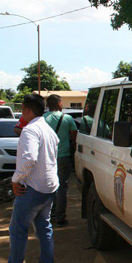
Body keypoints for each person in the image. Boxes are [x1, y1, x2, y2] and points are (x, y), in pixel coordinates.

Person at [0, 94, 59, 263]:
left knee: (18, 231)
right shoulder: (47, 129)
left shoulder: (30, 131)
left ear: (27, 110)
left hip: (33, 189)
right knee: (44, 229)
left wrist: (15, 179)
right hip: (49, 188)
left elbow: (28, 159)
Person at [44, 94, 78, 227]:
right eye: (62, 102)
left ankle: (48, 215)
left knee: (48, 186)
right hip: (63, 157)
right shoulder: (67, 118)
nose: (63, 104)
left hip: (47, 157)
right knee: (62, 188)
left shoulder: (42, 119)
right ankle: (60, 217)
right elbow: (74, 137)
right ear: (58, 103)